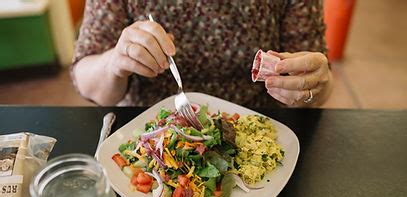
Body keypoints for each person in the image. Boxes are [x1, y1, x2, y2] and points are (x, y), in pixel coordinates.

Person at [72, 1, 332, 107]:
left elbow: (319, 81)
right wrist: (115, 63)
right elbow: (86, 80)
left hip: (259, 128)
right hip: (148, 130)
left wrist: (310, 87)